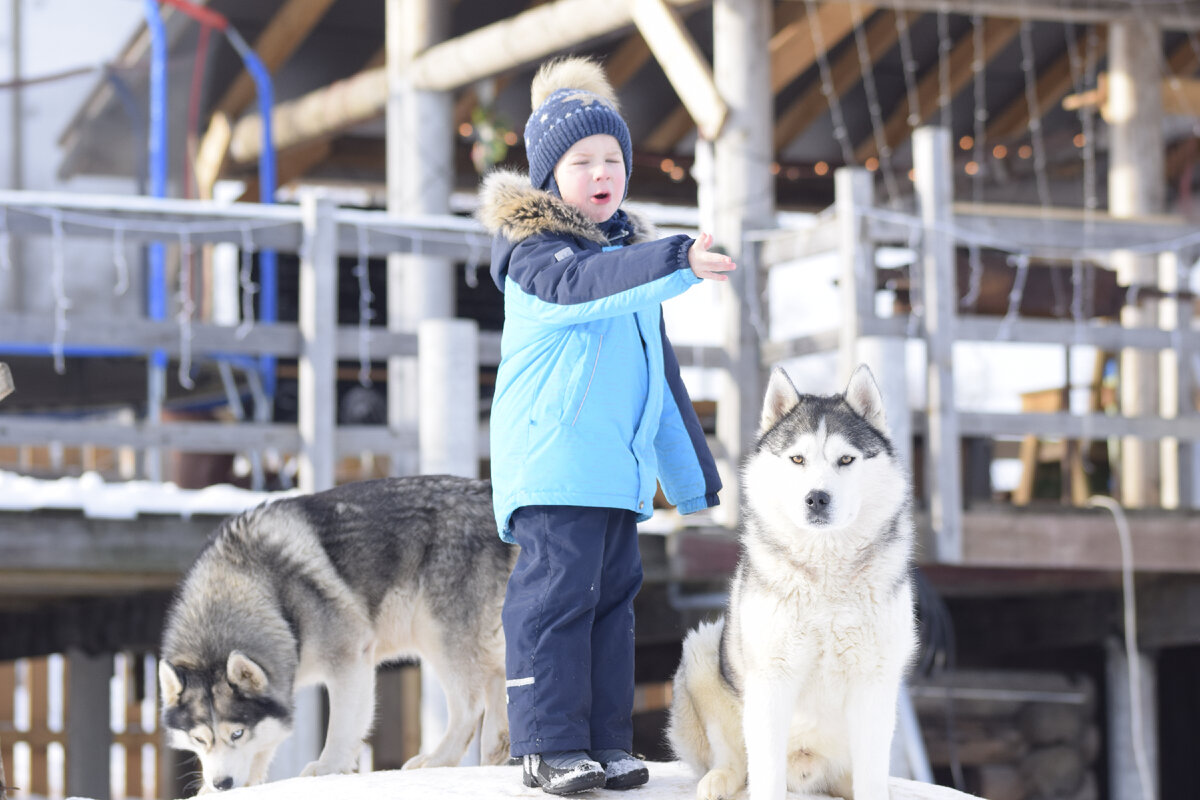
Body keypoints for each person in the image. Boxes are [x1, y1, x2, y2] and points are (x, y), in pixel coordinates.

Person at [477, 56, 733, 796]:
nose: (600, 172)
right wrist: (676, 257)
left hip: (615, 481)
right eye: (581, 160)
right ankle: (547, 744)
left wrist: (691, 482)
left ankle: (602, 742)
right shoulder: (537, 260)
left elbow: (659, 386)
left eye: (612, 159)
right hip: (554, 467)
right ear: (549, 177)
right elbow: (584, 286)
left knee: (612, 606)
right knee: (555, 600)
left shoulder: (628, 272)